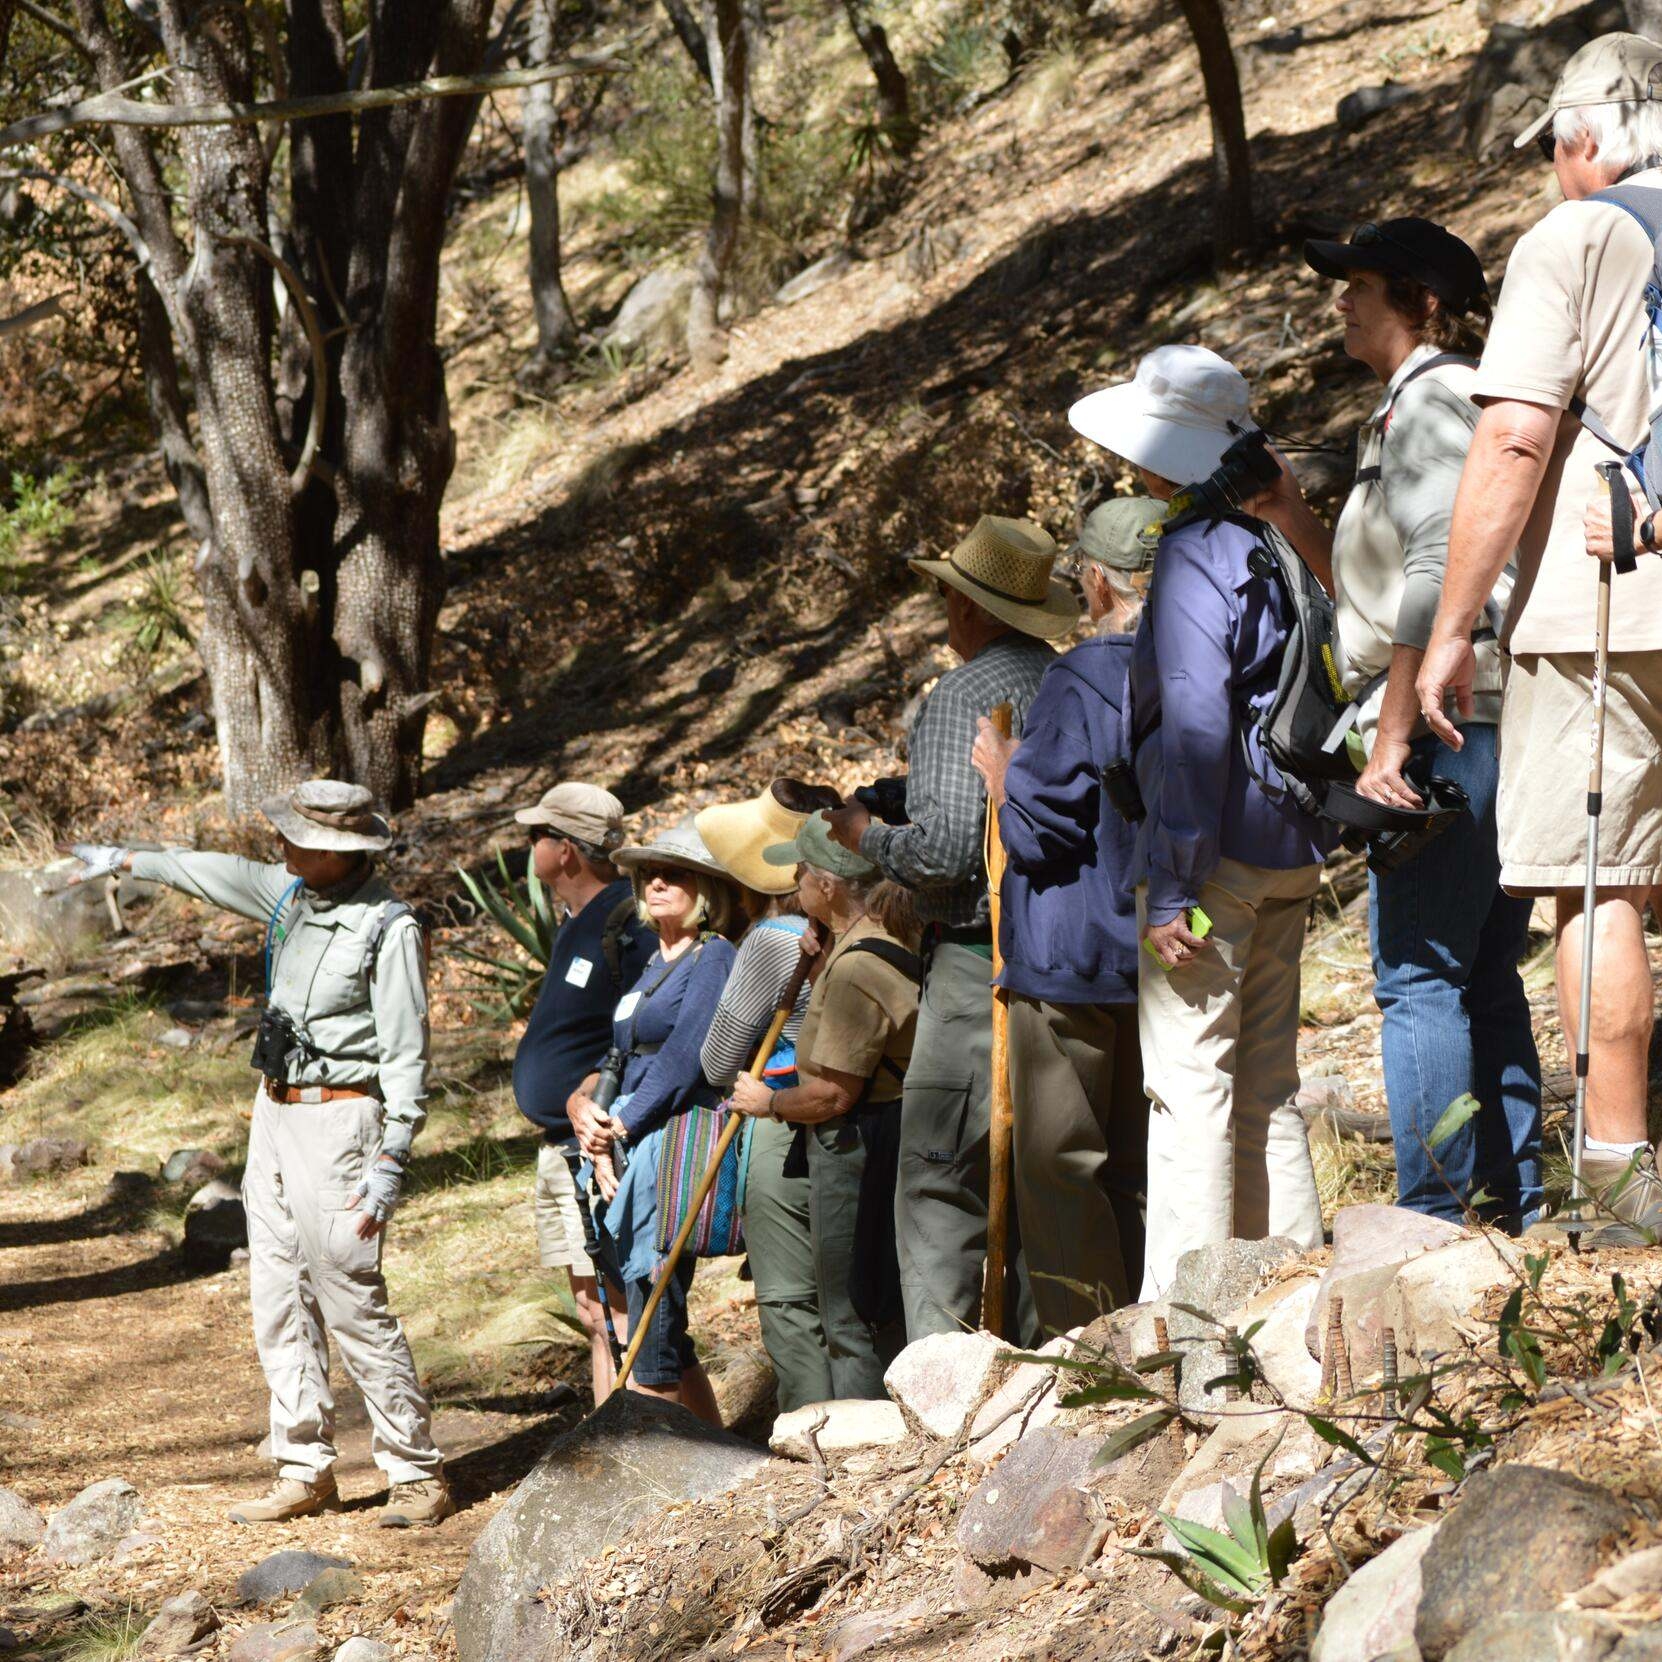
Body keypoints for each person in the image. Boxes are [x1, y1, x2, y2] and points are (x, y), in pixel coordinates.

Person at [1247, 220, 1543, 1227]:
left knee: (1419, 978)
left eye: (1360, 284)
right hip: (1491, 713)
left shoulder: (1430, 407)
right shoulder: (1424, 407)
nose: (1340, 301)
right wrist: (1295, 521)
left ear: (1418, 300)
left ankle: (1430, 1219)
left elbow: (1435, 576)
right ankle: (1512, 1208)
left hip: (1443, 723)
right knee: (1483, 972)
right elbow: (1385, 595)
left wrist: (1388, 741)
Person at [1417, 33, 1662, 1243]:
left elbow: (1515, 436)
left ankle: (1620, 1181)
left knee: (1598, 877)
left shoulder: (1574, 237)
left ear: (1584, 141)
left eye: (1556, 154)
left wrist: (1452, 630)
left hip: (1603, 606)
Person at [73, 782, 453, 1527]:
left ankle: (415, 1472)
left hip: (344, 1123)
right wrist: (125, 859)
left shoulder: (387, 926)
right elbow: (209, 872)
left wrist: (391, 1163)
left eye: (294, 836)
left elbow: (408, 1053)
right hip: (273, 1113)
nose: (278, 845)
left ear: (335, 849)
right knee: (277, 1294)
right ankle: (304, 1466)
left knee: (349, 1295)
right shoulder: (289, 895)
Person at [1068, 346, 1333, 1299]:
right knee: (1267, 1080)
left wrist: (1173, 886)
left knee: (1188, 1085)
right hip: (1293, 840)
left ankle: (1191, 1317)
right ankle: (1294, 1287)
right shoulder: (1276, 535)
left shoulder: (1191, 551)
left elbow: (1193, 729)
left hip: (1213, 862)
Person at [826, 515, 1071, 1343]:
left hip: (976, 956)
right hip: (1065, 949)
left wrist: (866, 838)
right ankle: (1051, 1355)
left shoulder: (963, 694)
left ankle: (945, 1373)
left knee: (938, 1177)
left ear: (967, 604)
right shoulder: (1063, 677)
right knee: (1045, 1171)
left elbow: (941, 856)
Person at [970, 497, 1155, 1331]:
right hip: (1155, 947)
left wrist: (1005, 773)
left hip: (1069, 951)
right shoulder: (1191, 665)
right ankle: (1152, 1324)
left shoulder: (1082, 677)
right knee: (1135, 1164)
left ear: (1096, 580)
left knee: (1063, 1166)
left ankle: (1095, 1348)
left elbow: (1041, 830)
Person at [729, 812, 920, 1398]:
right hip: (870, 1139)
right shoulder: (859, 947)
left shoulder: (859, 967)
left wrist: (769, 1102)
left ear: (830, 885)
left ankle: (861, 1444)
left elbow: (835, 1093)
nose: (796, 884)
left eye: (803, 872)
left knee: (849, 1311)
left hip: (854, 1147)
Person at [569, 816, 739, 1425]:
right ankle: (711, 1448)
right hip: (626, 1140)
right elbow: (620, 1052)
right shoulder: (653, 962)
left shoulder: (713, 957)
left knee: (654, 1303)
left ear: (707, 891)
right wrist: (585, 1113)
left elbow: (687, 1056)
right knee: (642, 1302)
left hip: (672, 1141)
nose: (657, 884)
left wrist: (619, 1128)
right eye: (648, 875)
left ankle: (662, 1464)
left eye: (675, 875)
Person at [509, 783, 653, 1401]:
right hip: (559, 1145)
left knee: (629, 1318)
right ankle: (613, 1452)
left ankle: (676, 1459)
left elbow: (649, 1028)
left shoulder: (628, 920)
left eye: (535, 835)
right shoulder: (577, 925)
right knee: (597, 1316)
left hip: (596, 1149)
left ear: (566, 850)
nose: (528, 846)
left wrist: (593, 1090)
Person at [694, 787, 828, 1413]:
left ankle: (810, 1426)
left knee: (789, 1293)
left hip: (780, 1111)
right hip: (861, 1106)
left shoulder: (775, 938)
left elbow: (720, 1059)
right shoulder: (861, 921)